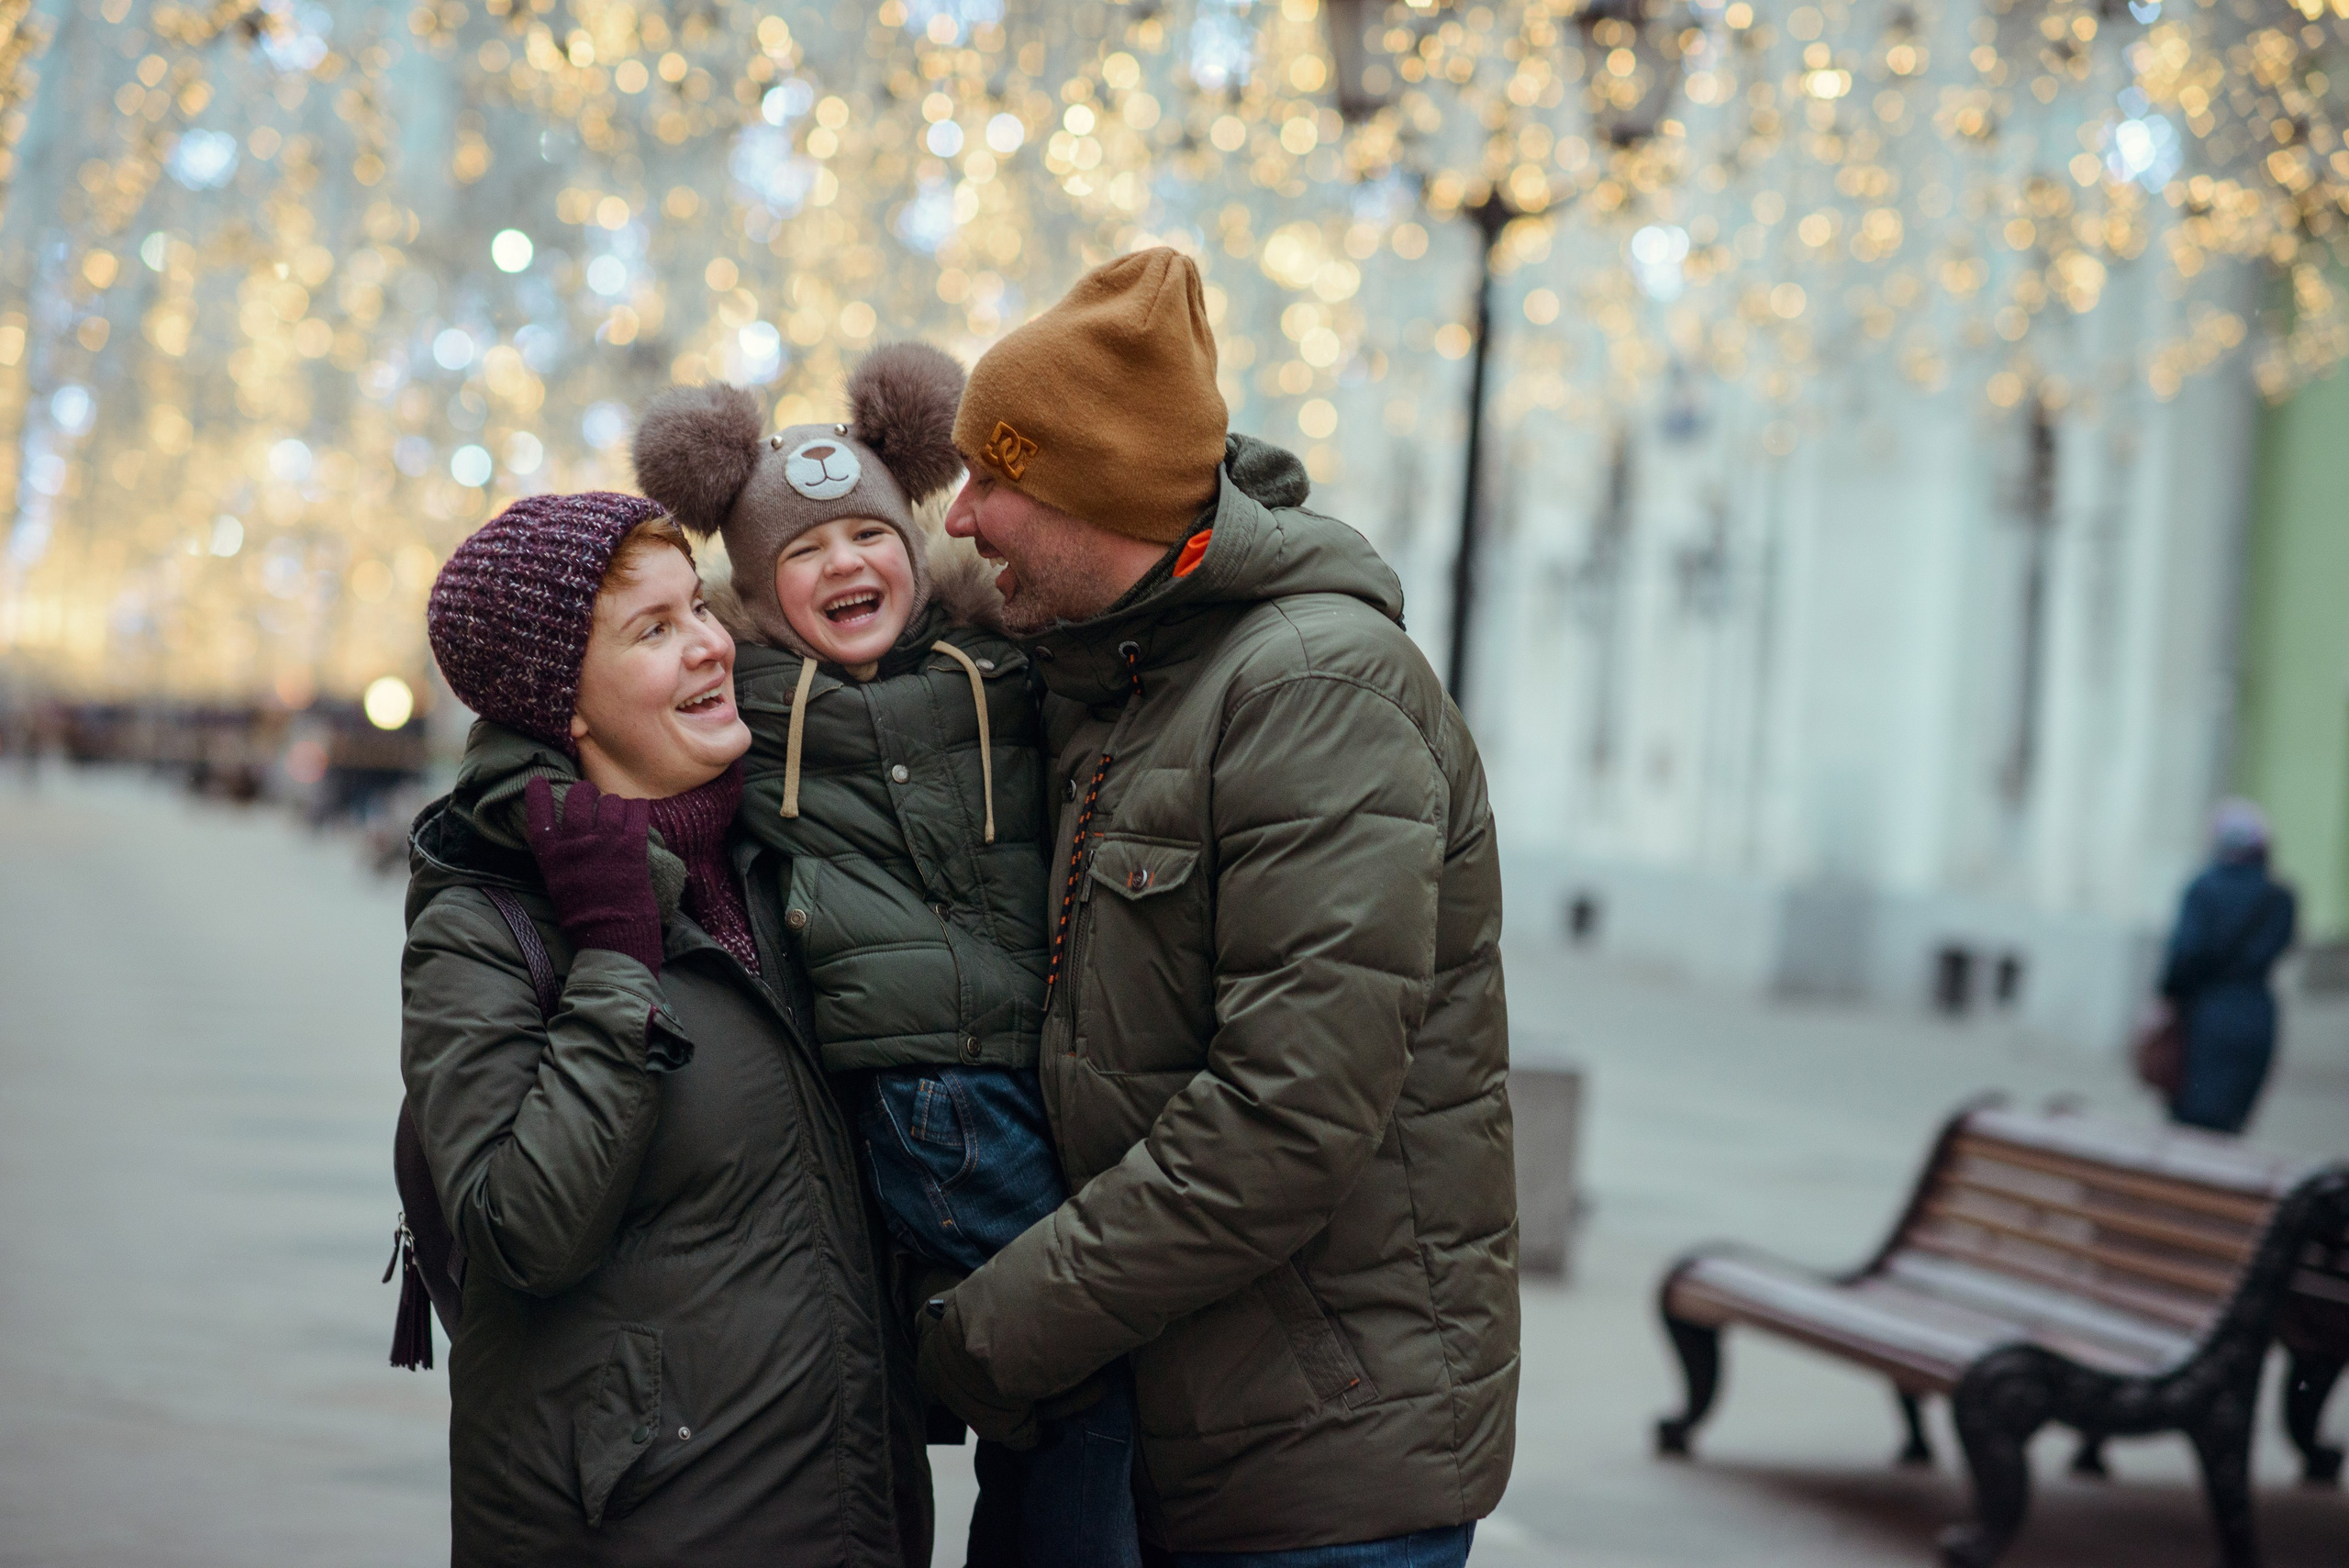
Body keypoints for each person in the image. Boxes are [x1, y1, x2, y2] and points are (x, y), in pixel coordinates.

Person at [923, 248, 1519, 1565]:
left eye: (994, 479)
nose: (960, 519)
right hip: (1136, 1416)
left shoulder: (1317, 691)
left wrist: (996, 1330)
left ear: (1094, 493)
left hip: (1311, 1460)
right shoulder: (1116, 675)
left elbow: (1288, 1112)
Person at [632, 344, 1141, 1568]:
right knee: (1093, 1374)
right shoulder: (746, 705)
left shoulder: (1004, 665)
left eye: (866, 538)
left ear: (915, 549)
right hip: (926, 1095)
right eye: (802, 555)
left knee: (1056, 1384)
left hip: (1047, 1069)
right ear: (757, 593)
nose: (843, 565)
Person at [404, 492, 929, 1566]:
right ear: (565, 710)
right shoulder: (485, 920)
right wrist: (611, 948)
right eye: (655, 631)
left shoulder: (773, 856)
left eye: (699, 607)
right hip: (648, 1522)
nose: (709, 646)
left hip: (845, 1506)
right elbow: (524, 1229)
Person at [2160, 797, 2297, 1134]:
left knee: (2191, 1123)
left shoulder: (2204, 889)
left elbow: (2185, 955)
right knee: (2230, 1123)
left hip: (2205, 1015)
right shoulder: (2280, 897)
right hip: (2256, 1015)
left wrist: (2166, 999)